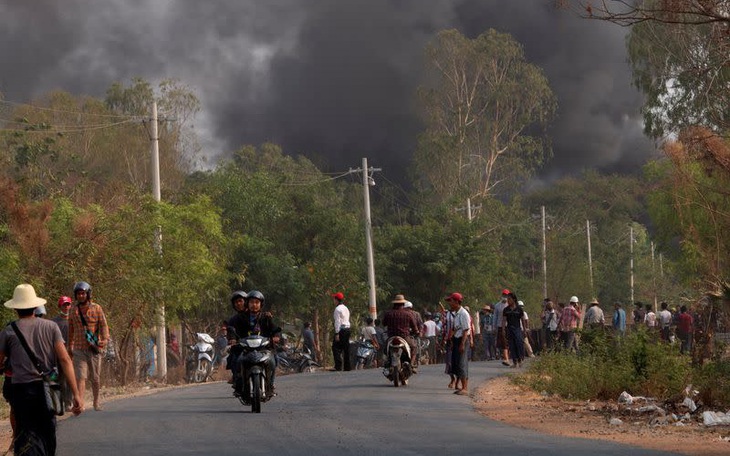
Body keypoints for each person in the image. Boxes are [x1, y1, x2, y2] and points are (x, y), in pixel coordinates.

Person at [0, 284, 84, 455]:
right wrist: (76, 394)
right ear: (35, 306)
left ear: (15, 307)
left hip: (21, 389)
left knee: (25, 432)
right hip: (50, 385)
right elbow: (65, 359)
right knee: (48, 430)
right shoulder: (51, 327)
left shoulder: (8, 332)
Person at [226, 290, 281, 397]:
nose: (254, 305)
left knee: (274, 361)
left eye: (257, 302)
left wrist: (276, 336)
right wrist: (233, 339)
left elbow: (275, 329)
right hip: (246, 347)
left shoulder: (266, 317)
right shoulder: (239, 318)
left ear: (261, 304)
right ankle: (238, 383)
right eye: (251, 302)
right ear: (248, 304)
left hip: (263, 347)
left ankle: (271, 384)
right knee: (237, 361)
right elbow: (232, 330)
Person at [67, 281, 109, 412]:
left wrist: (105, 339)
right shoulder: (73, 310)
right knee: (80, 377)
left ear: (88, 294)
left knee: (95, 378)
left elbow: (103, 325)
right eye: (78, 294)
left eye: (83, 293)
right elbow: (70, 329)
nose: (81, 296)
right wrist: (70, 345)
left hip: (94, 348)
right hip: (79, 349)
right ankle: (80, 404)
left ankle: (96, 402)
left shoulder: (97, 308)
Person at [382, 294, 420, 372]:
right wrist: (416, 332)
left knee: (385, 349)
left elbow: (384, 323)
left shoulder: (389, 313)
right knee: (414, 348)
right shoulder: (408, 314)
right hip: (404, 337)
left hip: (391, 336)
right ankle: (411, 365)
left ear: (394, 304)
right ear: (403, 304)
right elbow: (414, 327)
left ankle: (388, 363)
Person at [445, 292, 470, 395]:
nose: (450, 303)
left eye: (451, 301)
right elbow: (456, 328)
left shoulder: (463, 313)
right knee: (456, 363)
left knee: (462, 363)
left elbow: (465, 330)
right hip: (456, 339)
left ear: (456, 301)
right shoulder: (456, 314)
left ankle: (465, 388)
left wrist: (462, 344)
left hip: (462, 340)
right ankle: (461, 386)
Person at [52, 296, 74, 411]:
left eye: (68, 305)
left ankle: (69, 403)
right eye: (64, 305)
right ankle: (59, 404)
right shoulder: (53, 323)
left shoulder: (75, 320)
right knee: (60, 380)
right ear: (59, 306)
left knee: (71, 379)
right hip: (58, 355)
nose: (66, 307)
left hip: (72, 354)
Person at [503, 293, 526, 368]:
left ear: (514, 299)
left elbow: (523, 320)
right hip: (509, 329)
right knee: (511, 345)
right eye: (507, 299)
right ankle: (515, 362)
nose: (508, 301)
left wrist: (525, 330)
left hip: (517, 329)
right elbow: (504, 320)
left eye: (509, 299)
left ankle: (520, 360)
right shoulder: (506, 310)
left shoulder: (519, 309)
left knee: (518, 344)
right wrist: (503, 330)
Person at [331, 292, 351, 371]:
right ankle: (347, 367)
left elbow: (337, 322)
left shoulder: (337, 309)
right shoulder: (346, 308)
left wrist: (336, 333)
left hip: (341, 330)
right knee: (346, 348)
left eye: (334, 299)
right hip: (347, 329)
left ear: (336, 300)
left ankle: (338, 366)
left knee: (335, 347)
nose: (333, 300)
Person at [493, 289, 511, 366]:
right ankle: (506, 359)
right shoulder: (497, 306)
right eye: (504, 295)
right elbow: (495, 317)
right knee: (504, 343)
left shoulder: (511, 305)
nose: (505, 297)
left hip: (510, 326)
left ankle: (512, 358)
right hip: (501, 326)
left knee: (510, 342)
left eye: (506, 295)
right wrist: (494, 327)